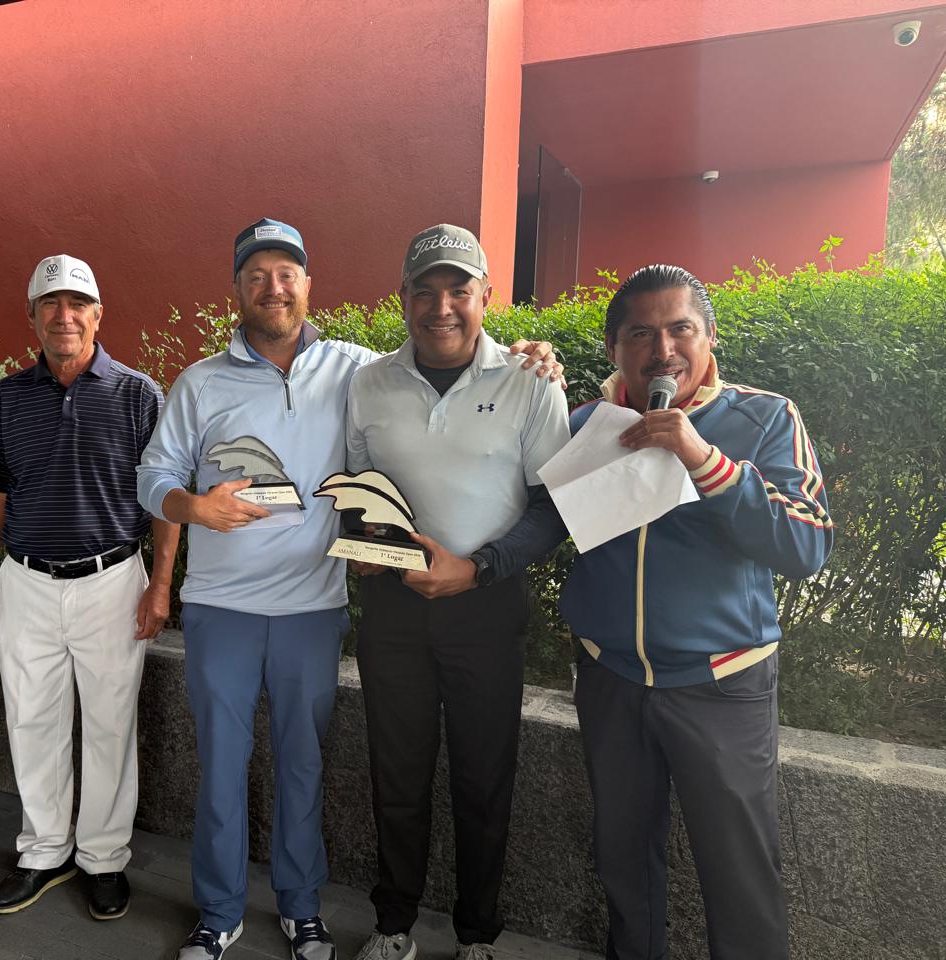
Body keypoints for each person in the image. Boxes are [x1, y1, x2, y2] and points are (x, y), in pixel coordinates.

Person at [137, 218, 562, 960]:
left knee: (308, 767)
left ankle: (307, 910)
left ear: (309, 285)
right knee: (224, 769)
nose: (273, 288)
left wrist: (540, 356)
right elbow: (155, 475)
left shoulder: (355, 369)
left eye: (287, 274)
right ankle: (220, 912)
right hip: (224, 606)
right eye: (257, 275)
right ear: (237, 288)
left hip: (315, 606)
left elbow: (428, 438)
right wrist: (193, 507)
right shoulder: (205, 382)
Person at [560, 264, 833, 960]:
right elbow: (544, 519)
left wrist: (703, 459)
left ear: (710, 337)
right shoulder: (585, 424)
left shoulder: (765, 416)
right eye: (640, 333)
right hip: (611, 679)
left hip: (723, 682)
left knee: (741, 874)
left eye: (681, 329)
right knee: (623, 865)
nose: (663, 349)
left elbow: (807, 544)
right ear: (614, 347)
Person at [344, 225, 569, 960]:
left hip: (487, 609)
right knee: (396, 775)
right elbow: (358, 491)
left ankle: (476, 936)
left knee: (484, 779)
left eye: (458, 291)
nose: (441, 307)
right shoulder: (368, 382)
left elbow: (553, 508)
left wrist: (476, 568)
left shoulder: (530, 381)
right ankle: (393, 926)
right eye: (425, 291)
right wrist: (364, 544)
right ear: (403, 298)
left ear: (486, 298)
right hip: (394, 612)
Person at [0, 254, 180, 922]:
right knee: (31, 721)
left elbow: (165, 496)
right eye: (50, 305)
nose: (65, 316)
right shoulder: (8, 397)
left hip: (112, 581)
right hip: (26, 581)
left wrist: (161, 585)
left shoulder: (139, 394)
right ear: (32, 317)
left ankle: (104, 858)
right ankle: (44, 850)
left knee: (111, 726)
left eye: (77, 304)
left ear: (98, 315)